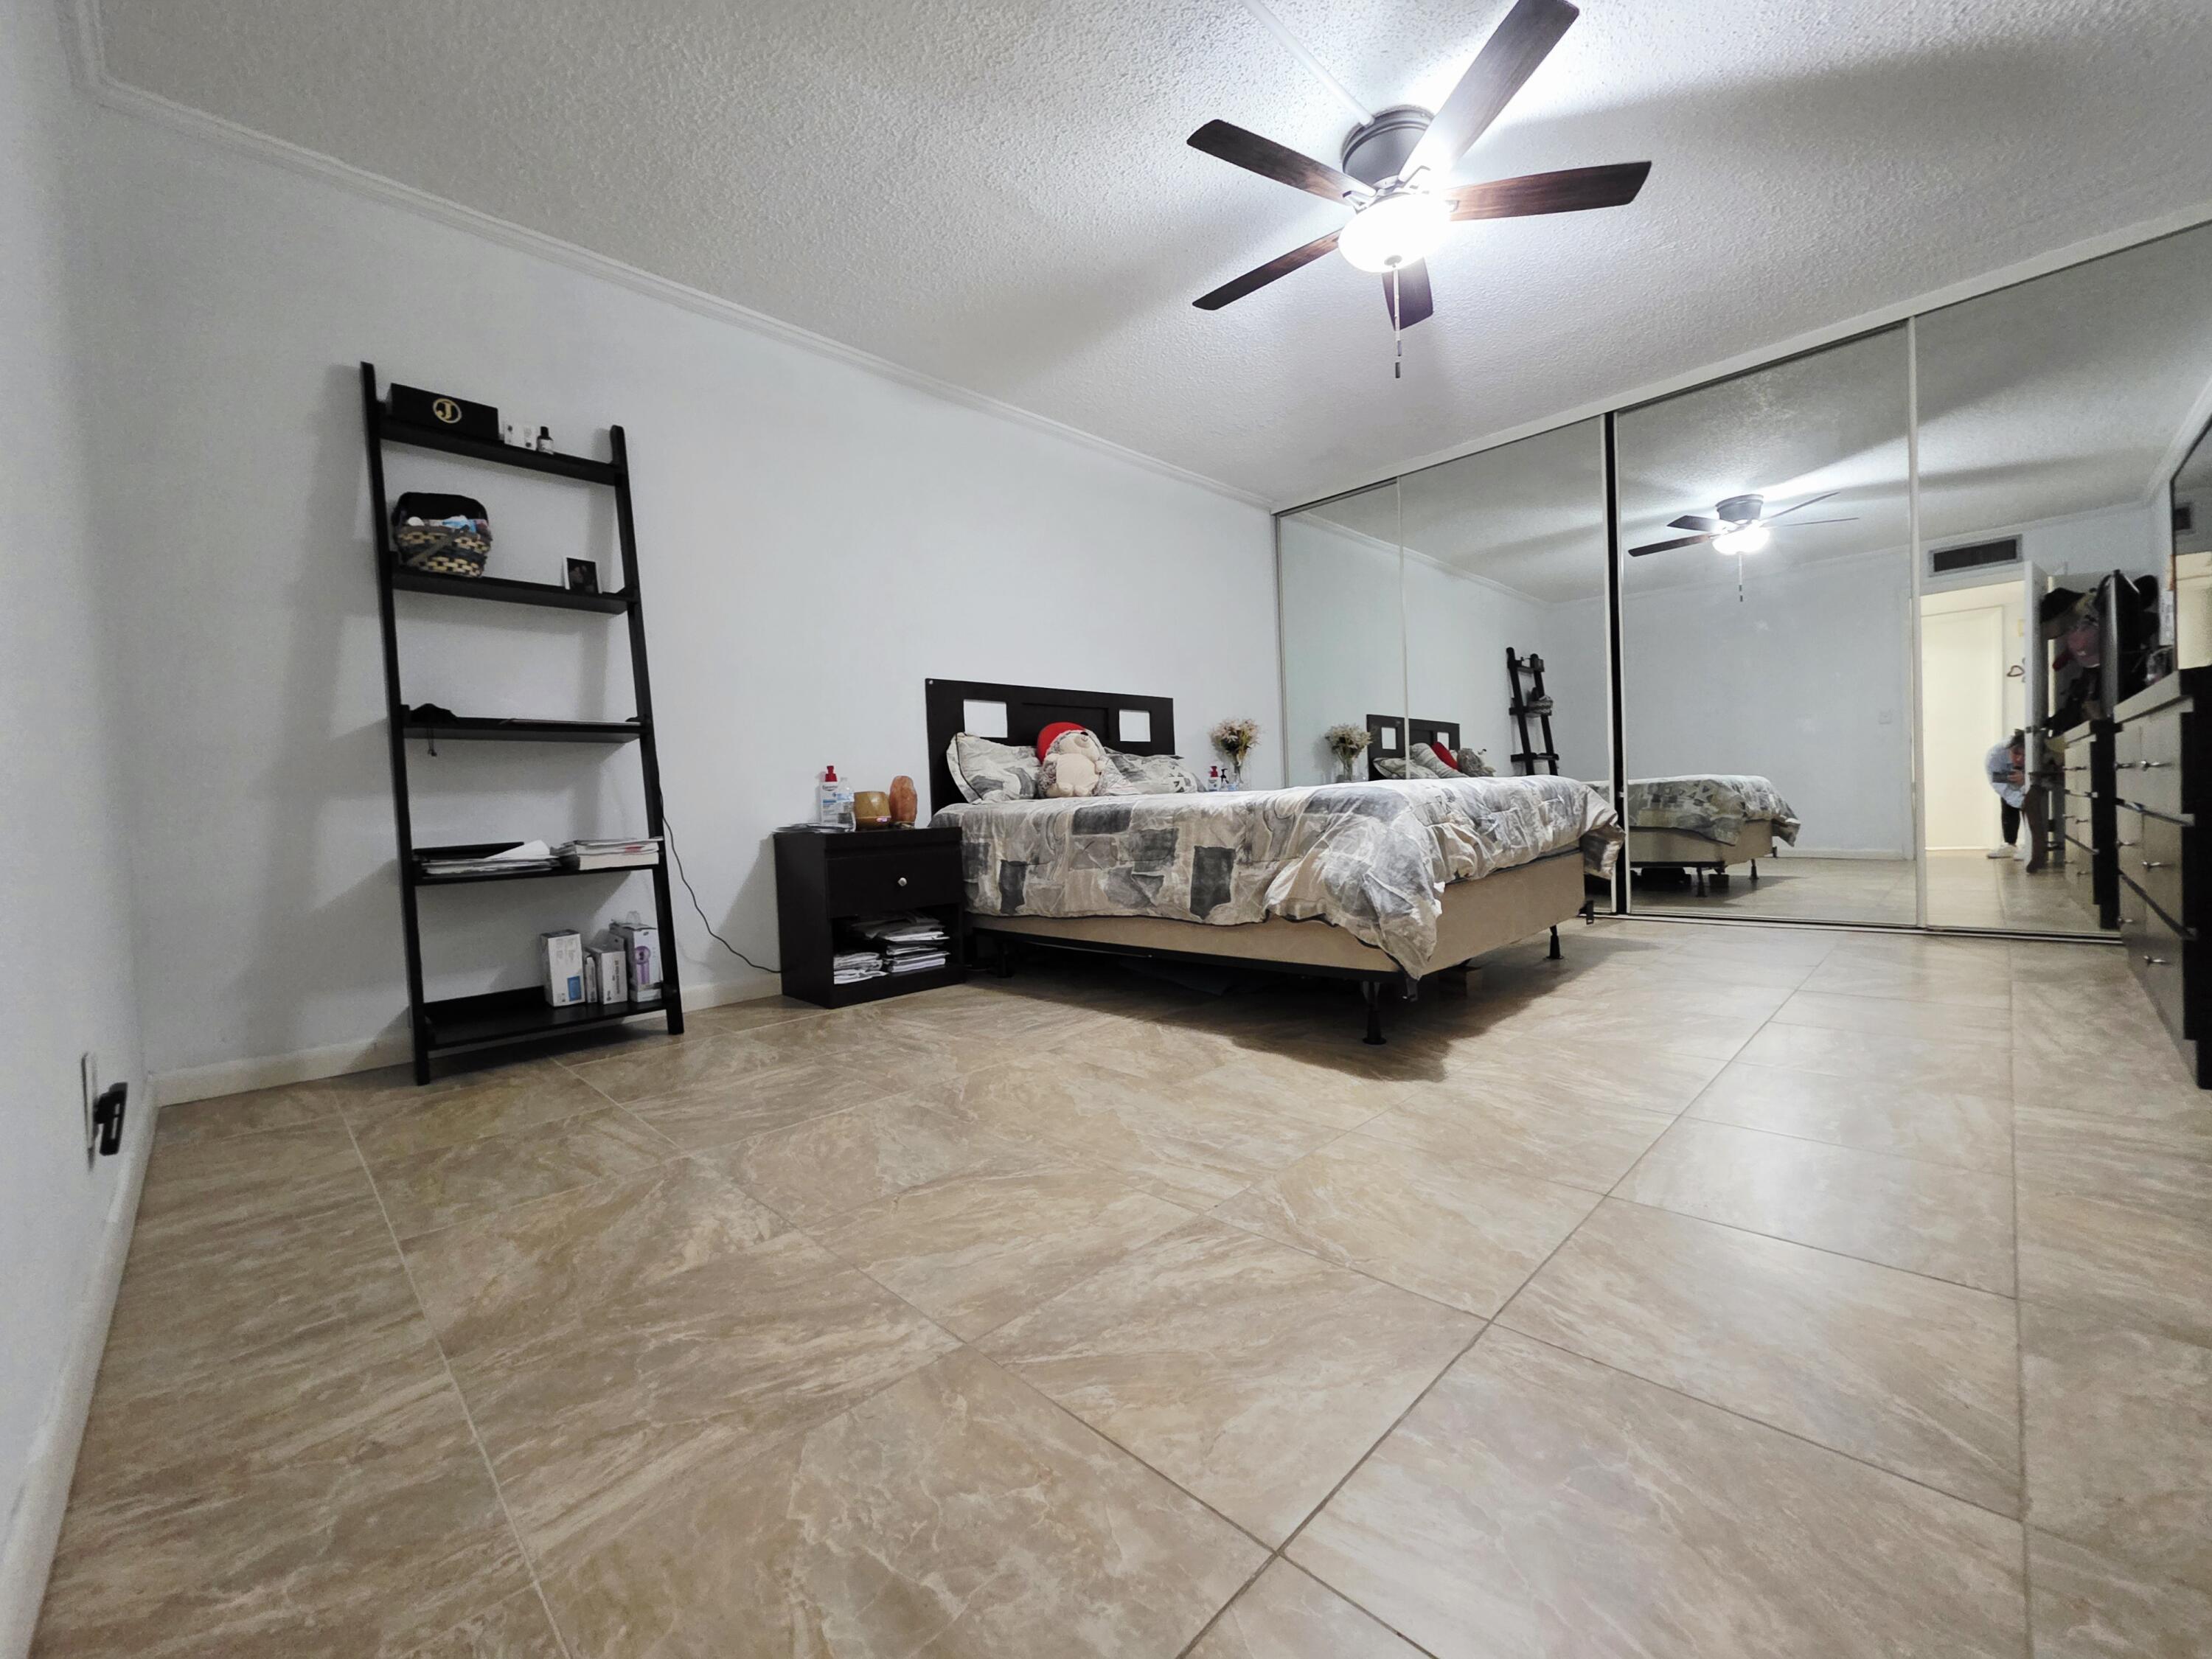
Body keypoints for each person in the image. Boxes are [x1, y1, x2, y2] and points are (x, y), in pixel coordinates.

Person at [1985, 729, 2046, 872]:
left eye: (2024, 755)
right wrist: (2020, 800)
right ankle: (2010, 844)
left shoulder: (2038, 754)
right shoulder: (1995, 756)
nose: (2019, 759)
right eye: (2016, 753)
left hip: (2030, 781)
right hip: (2008, 783)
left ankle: (2030, 844)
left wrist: (2026, 781)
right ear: (2009, 749)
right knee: (2008, 800)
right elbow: (1999, 784)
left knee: (2032, 802)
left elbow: (2041, 780)